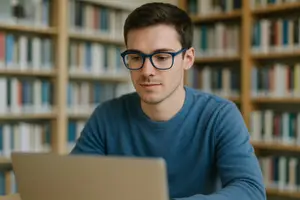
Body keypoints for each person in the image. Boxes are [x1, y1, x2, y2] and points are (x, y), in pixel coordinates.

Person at [70, 2, 266, 200]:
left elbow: (251, 191)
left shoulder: (220, 115)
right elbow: (73, 184)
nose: (147, 71)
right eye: (136, 57)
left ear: (188, 59)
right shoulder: (106, 115)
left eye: (162, 57)